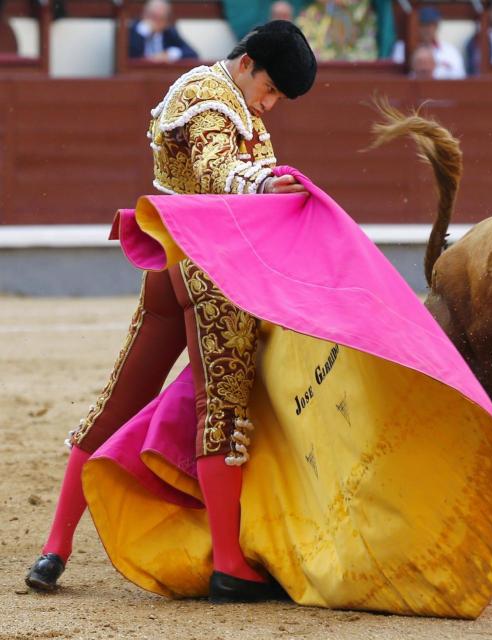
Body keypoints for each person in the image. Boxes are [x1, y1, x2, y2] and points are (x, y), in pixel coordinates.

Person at [25, 20, 317, 603]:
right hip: (208, 272)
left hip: (168, 268)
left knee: (119, 400)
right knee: (223, 410)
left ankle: (54, 547)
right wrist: (262, 186)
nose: (271, 103)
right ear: (248, 63)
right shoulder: (210, 97)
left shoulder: (226, 99)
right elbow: (216, 171)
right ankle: (231, 564)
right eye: (272, 89)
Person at [392, 6, 465, 79]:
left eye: (432, 25)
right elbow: (397, 75)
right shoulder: (402, 48)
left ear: (437, 26)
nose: (428, 29)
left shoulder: (450, 51)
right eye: (423, 25)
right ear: (416, 26)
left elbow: (460, 77)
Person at [129, 0, 198, 62]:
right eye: (153, 16)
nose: (156, 22)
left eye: (161, 18)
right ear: (144, 15)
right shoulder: (132, 30)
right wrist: (143, 32)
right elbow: (130, 55)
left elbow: (192, 54)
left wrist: (170, 54)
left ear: (166, 21)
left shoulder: (169, 32)